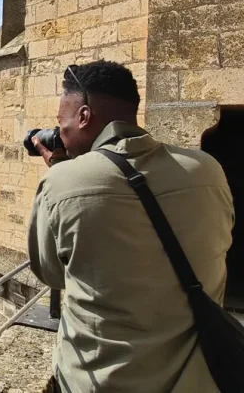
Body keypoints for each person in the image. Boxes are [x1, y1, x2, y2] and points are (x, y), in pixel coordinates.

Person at [27, 60, 235, 392]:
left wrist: (61, 172)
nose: (59, 133)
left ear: (83, 116)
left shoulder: (62, 182)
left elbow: (51, 273)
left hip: (104, 381)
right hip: (200, 378)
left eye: (60, 122)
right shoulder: (207, 170)